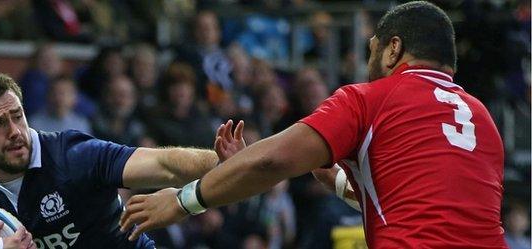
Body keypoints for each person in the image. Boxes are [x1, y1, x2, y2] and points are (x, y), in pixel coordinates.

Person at [120, 2, 508, 248]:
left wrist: (182, 200)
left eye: (370, 50)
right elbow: (427, 209)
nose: (368, 62)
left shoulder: (368, 98)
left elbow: (270, 163)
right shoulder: (482, 119)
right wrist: (339, 182)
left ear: (393, 48)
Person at [0, 67, 246, 249]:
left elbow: (164, 164)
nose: (15, 131)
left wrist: (220, 162)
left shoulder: (73, 155)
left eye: (18, 116)